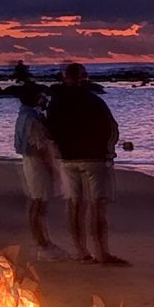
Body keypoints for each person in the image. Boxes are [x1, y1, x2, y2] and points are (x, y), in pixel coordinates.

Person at [43, 61, 128, 265]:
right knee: (97, 206)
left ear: (65, 78)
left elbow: (49, 130)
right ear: (83, 78)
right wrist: (109, 152)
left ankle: (80, 251)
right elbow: (111, 128)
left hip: (68, 158)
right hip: (94, 158)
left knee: (74, 204)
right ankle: (101, 253)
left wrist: (57, 151)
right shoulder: (94, 100)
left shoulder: (56, 102)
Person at [12, 80, 64, 255]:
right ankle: (41, 241)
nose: (43, 98)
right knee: (39, 202)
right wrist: (51, 167)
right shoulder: (32, 119)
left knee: (37, 201)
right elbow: (40, 147)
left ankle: (42, 239)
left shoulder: (25, 116)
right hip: (37, 163)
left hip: (31, 161)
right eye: (40, 95)